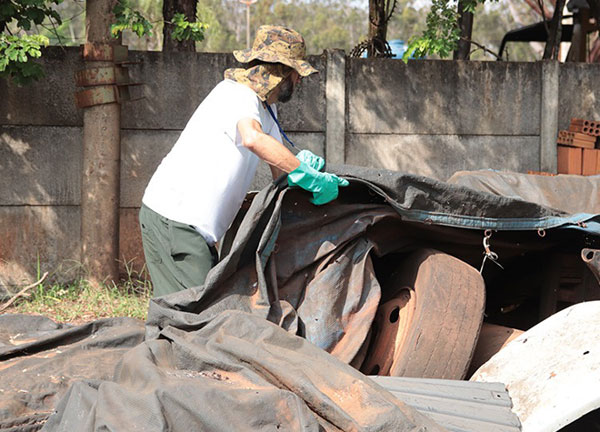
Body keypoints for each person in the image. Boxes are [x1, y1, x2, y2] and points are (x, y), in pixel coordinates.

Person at [139, 25, 349, 297]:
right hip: (174, 222)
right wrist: (304, 173)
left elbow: (279, 170)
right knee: (192, 319)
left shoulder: (266, 108)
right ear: (281, 70)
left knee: (199, 316)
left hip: (192, 231)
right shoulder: (237, 94)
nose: (300, 80)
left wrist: (305, 171)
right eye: (297, 73)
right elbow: (253, 139)